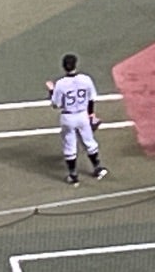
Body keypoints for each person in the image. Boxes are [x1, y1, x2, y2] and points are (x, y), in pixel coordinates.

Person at [46, 53, 108, 186]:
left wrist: (51, 91)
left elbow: (56, 104)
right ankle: (97, 168)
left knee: (69, 145)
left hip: (68, 117)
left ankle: (73, 175)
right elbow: (91, 98)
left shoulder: (60, 84)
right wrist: (91, 114)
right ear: (75, 65)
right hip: (83, 115)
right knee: (89, 141)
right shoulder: (86, 79)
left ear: (63, 67)